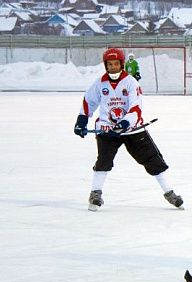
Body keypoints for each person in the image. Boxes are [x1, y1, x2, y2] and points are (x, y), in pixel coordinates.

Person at [73, 48, 184, 212]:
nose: (113, 67)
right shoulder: (100, 83)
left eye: (116, 64)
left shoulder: (131, 82)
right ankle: (95, 193)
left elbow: (136, 107)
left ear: (121, 64)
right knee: (103, 161)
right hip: (107, 129)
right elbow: (89, 101)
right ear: (105, 65)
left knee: (153, 160)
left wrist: (124, 124)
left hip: (133, 130)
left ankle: (169, 192)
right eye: (109, 64)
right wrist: (81, 121)